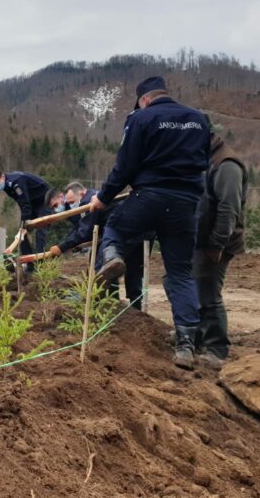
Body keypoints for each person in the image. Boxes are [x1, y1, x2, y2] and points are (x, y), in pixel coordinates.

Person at [89, 76, 210, 370]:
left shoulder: (142, 118)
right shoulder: (198, 119)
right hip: (186, 204)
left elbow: (125, 165)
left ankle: (113, 258)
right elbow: (204, 159)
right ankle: (185, 346)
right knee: (180, 273)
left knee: (115, 227)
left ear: (144, 99)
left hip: (151, 197)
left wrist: (103, 198)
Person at [193, 116, 247, 368]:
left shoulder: (226, 164)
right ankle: (196, 335)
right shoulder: (208, 160)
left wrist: (217, 244)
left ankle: (217, 349)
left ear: (209, 136)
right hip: (203, 239)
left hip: (217, 243)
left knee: (209, 293)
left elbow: (228, 209)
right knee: (194, 288)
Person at [47, 181, 147, 308]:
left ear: (82, 193)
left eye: (72, 202)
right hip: (137, 233)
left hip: (121, 234)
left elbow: (84, 232)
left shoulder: (89, 202)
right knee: (130, 271)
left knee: (100, 267)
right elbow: (81, 228)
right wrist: (72, 244)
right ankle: (129, 305)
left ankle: (99, 301)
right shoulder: (96, 195)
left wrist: (61, 247)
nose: (71, 205)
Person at [0, 169, 51, 267]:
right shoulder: (6, 186)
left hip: (45, 199)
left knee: (41, 230)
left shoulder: (17, 181)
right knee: (21, 234)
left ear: (2, 176)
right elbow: (21, 202)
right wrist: (23, 225)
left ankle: (41, 262)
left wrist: (24, 221)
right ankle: (30, 264)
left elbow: (24, 202)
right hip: (32, 202)